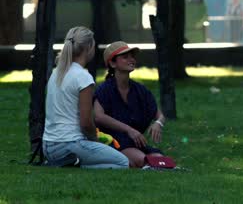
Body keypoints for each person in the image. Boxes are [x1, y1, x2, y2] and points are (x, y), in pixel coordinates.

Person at [42, 26, 129, 169]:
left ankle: (64, 162)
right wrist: (95, 141)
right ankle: (71, 165)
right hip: (69, 144)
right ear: (89, 47)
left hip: (48, 147)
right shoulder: (83, 77)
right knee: (122, 163)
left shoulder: (56, 73)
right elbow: (86, 123)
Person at [94, 41, 167, 168]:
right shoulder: (104, 89)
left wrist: (158, 123)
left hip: (134, 143)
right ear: (112, 63)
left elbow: (159, 114)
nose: (131, 59)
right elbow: (99, 117)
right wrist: (129, 130)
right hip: (113, 143)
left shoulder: (140, 90)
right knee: (144, 161)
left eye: (132, 56)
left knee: (161, 160)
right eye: (125, 57)